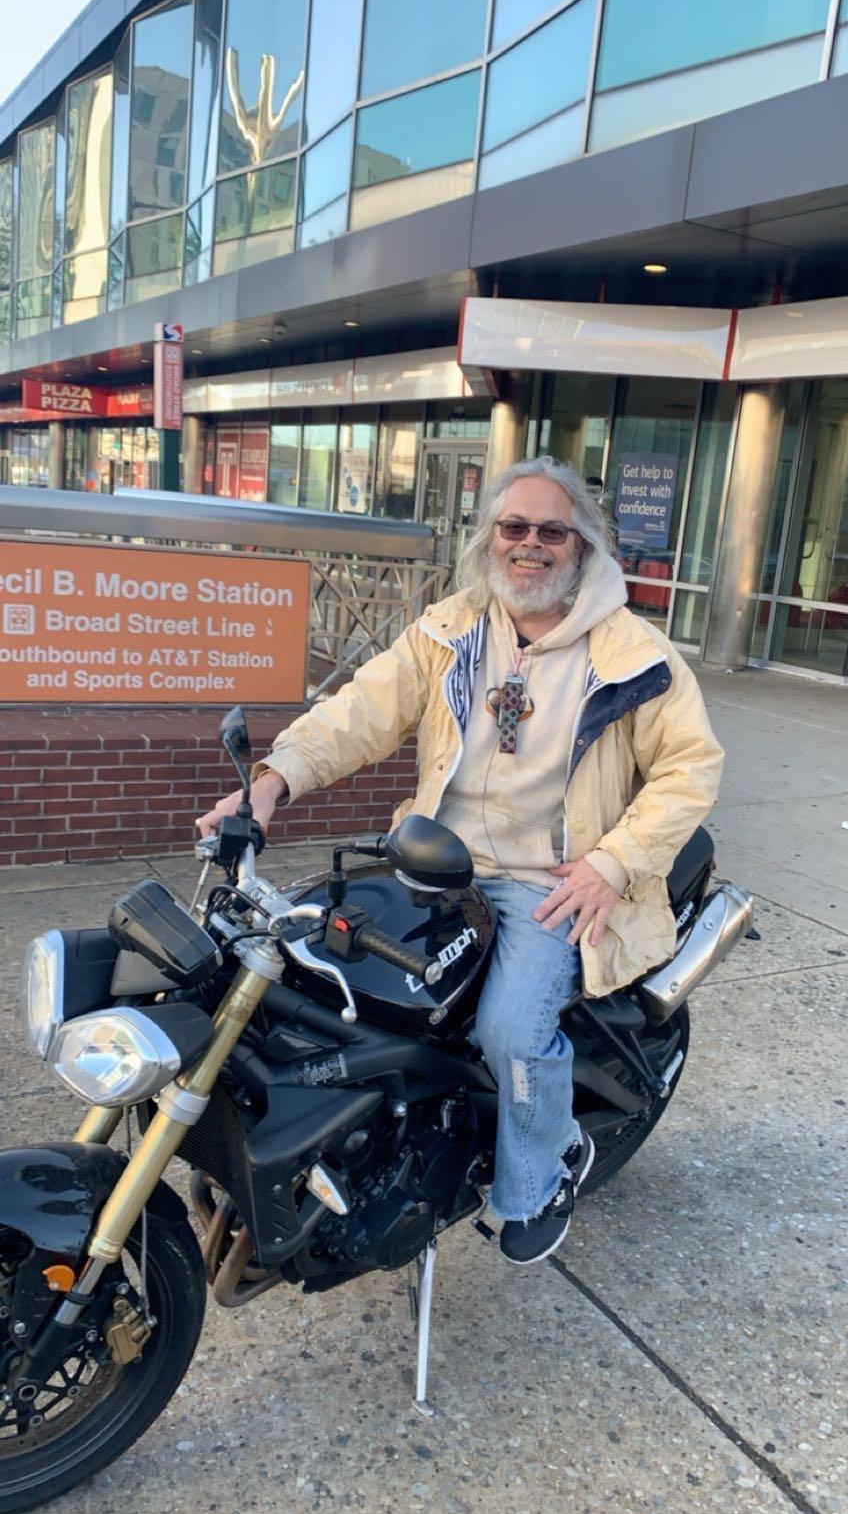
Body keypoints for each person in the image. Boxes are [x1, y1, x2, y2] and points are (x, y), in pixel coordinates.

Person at [197, 456, 724, 1266]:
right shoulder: (451, 629)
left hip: (544, 884)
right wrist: (271, 783)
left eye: (553, 531)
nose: (531, 545)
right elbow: (359, 712)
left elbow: (692, 767)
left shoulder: (632, 653)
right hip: (432, 860)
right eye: (514, 528)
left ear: (582, 546)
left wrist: (613, 864)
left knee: (510, 1030)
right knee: (304, 972)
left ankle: (537, 1180)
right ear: (490, 540)